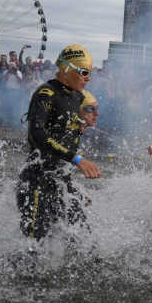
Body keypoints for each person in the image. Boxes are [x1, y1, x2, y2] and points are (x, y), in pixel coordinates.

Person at [16, 44, 101, 242]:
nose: (89, 78)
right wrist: (77, 159)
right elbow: (36, 135)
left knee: (83, 240)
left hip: (59, 183)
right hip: (36, 181)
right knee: (35, 247)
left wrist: (72, 188)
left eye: (90, 73)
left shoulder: (78, 96)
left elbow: (66, 142)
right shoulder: (47, 93)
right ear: (67, 70)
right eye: (84, 72)